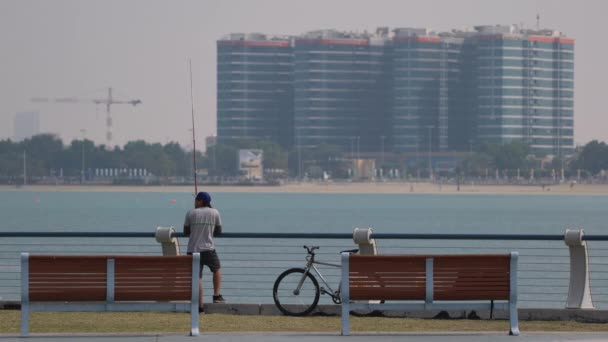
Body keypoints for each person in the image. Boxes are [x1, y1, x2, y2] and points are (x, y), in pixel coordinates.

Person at [184, 191, 226, 310]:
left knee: (197, 278)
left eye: (196, 200)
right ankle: (216, 296)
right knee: (216, 269)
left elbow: (186, 232)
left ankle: (200, 306)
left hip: (192, 249)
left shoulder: (190, 213)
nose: (194, 202)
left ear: (200, 201)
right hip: (208, 248)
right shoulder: (215, 212)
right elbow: (218, 231)